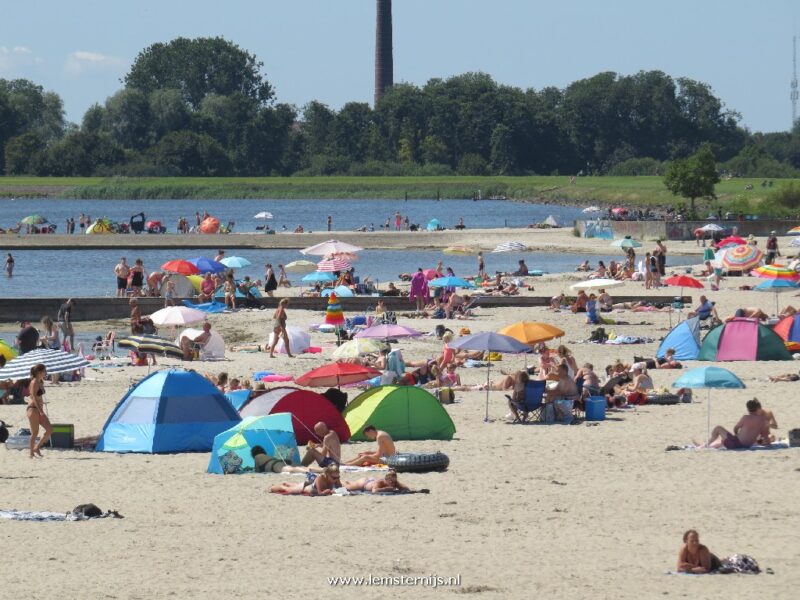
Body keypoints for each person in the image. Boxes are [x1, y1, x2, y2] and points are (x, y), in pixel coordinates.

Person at [703, 398, 771, 449]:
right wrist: (769, 446)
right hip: (747, 446)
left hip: (735, 444)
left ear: (748, 409)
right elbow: (765, 435)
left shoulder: (746, 418)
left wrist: (737, 434)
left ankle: (707, 445)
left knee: (718, 428)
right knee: (724, 440)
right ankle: (707, 445)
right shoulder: (764, 421)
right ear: (757, 409)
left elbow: (735, 428)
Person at [26, 363, 53, 459]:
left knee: (49, 429)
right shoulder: (34, 382)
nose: (46, 372)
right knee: (35, 432)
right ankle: (31, 453)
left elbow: (40, 395)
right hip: (33, 409)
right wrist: (40, 410)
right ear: (39, 372)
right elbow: (33, 397)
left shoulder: (40, 381)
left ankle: (37, 447)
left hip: (39, 409)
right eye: (44, 371)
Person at [270, 464, 341, 496]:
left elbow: (340, 488)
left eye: (337, 477)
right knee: (289, 490)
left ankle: (287, 483)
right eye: (334, 478)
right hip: (305, 487)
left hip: (309, 485)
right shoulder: (320, 478)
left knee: (295, 486)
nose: (336, 479)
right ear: (327, 475)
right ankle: (273, 487)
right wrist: (328, 491)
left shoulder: (335, 478)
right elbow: (320, 493)